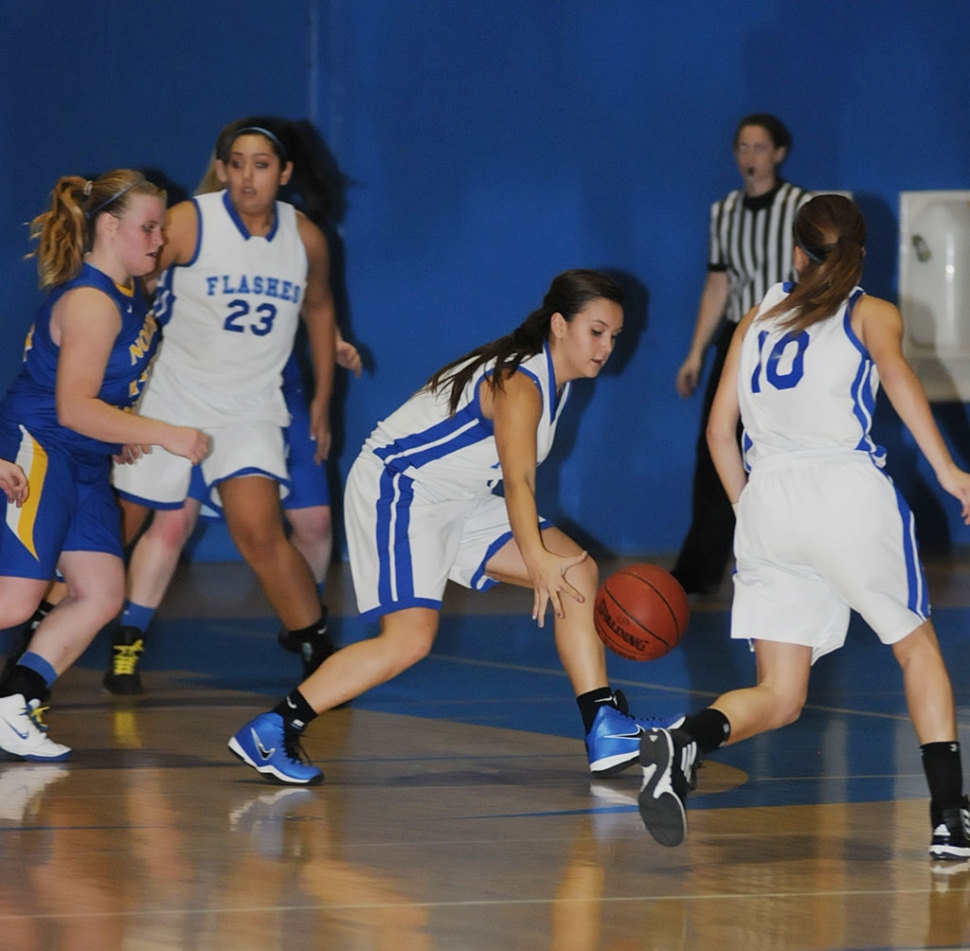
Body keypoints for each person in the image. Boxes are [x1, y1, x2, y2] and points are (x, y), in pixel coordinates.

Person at [227, 268, 683, 785]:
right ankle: (273, 728)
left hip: (458, 497)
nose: (606, 346)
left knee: (577, 573)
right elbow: (518, 482)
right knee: (409, 640)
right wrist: (535, 558)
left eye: (614, 336)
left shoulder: (557, 379)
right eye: (596, 331)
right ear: (559, 324)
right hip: (401, 487)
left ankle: (605, 727)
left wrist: (545, 560)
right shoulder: (520, 382)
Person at [637, 195, 970, 860]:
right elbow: (899, 377)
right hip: (843, 491)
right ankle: (950, 819)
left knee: (781, 693)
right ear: (862, 253)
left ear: (795, 252)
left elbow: (716, 431)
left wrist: (751, 516)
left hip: (768, 503)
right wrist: (952, 472)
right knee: (917, 648)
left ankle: (687, 740)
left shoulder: (755, 316)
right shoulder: (871, 312)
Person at [108, 117, 339, 696]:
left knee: (260, 533)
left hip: (250, 407)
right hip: (171, 398)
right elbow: (128, 285)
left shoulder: (305, 236)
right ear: (221, 168)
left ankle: (317, 651)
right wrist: (121, 394)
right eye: (235, 163)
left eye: (260, 165)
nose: (246, 176)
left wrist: (323, 399)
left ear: (284, 173)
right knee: (115, 531)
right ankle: (43, 642)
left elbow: (320, 310)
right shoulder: (191, 220)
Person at [0, 170, 209, 761]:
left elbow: (96, 401)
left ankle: (14, 703)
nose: (159, 239)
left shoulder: (126, 291)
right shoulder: (91, 302)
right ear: (110, 227)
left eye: (162, 227)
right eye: (148, 227)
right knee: (15, 601)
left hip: (83, 457)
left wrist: (118, 433)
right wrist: (163, 433)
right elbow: (72, 407)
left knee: (100, 592)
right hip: (40, 449)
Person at [672, 113, 811, 595]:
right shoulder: (723, 211)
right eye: (742, 147)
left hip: (789, 333)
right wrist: (694, 354)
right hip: (738, 335)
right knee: (714, 443)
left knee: (787, 442)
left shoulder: (802, 206)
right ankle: (701, 568)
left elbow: (819, 273)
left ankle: (799, 551)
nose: (749, 156)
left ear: (779, 153)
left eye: (759, 147)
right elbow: (717, 285)